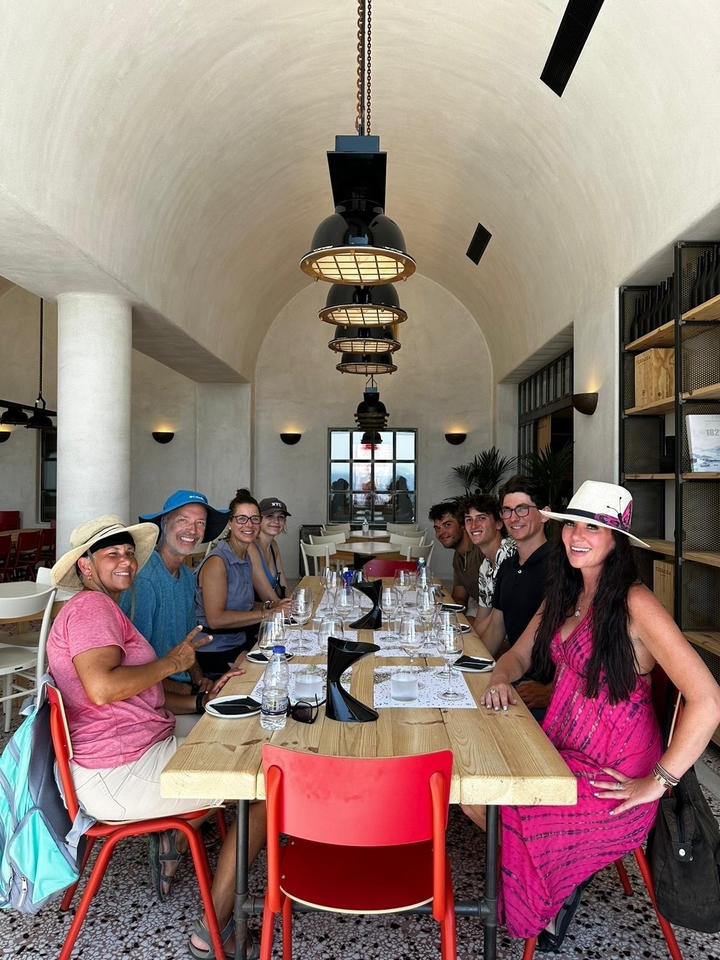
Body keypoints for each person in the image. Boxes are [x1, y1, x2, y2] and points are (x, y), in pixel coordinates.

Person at [463, 481, 720, 951]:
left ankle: (548, 886)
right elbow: (516, 656)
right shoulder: (566, 594)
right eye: (573, 525)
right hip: (560, 748)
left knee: (492, 802)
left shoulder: (636, 604)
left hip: (613, 776)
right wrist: (501, 677)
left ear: (617, 540)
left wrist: (656, 782)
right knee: (472, 789)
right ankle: (555, 877)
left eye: (594, 528)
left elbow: (708, 698)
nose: (577, 536)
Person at [47, 515, 266, 959]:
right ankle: (215, 929)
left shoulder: (105, 607)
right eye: (112, 554)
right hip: (118, 772)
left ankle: (178, 832)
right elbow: (105, 687)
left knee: (233, 728)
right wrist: (173, 661)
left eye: (129, 552)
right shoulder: (90, 609)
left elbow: (137, 690)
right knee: (262, 787)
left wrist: (202, 700)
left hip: (132, 747)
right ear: (85, 567)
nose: (125, 561)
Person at [119, 490, 229, 696]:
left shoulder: (187, 577)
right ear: (164, 524)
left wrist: (198, 679)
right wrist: (188, 692)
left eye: (200, 523)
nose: (192, 530)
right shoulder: (146, 579)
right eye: (183, 520)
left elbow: (186, 642)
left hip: (182, 683)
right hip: (151, 692)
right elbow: (133, 667)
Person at [194, 489, 290, 678]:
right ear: (229, 523)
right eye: (242, 519)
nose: (249, 524)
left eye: (254, 519)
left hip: (237, 640)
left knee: (286, 656)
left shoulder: (243, 556)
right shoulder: (218, 562)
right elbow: (215, 619)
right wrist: (267, 613)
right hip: (214, 647)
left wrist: (273, 605)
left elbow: (243, 605)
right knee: (272, 674)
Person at [477, 476, 553, 713]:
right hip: (514, 677)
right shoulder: (508, 567)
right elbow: (496, 629)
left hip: (545, 691)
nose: (513, 518)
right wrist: (469, 661)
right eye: (507, 511)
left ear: (545, 514)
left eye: (522, 509)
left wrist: (552, 690)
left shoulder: (560, 566)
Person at [463, 493, 516, 632]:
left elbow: (498, 618)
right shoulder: (485, 567)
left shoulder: (510, 554)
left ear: (498, 524)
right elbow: (482, 618)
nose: (474, 525)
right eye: (468, 519)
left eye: (481, 518)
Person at [428, 499, 481, 610]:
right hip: (482, 612)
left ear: (463, 524)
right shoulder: (458, 557)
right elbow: (460, 598)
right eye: (437, 528)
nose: (440, 533)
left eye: (447, 525)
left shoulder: (481, 551)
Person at [249, 498, 290, 604]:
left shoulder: (273, 545)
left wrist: (294, 602)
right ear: (258, 519)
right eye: (269, 516)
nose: (276, 521)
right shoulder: (251, 547)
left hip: (273, 609)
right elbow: (267, 597)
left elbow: (283, 585)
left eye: (281, 517)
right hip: (257, 614)